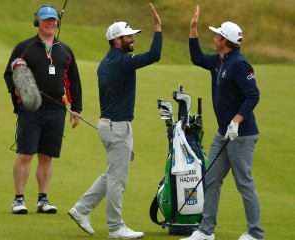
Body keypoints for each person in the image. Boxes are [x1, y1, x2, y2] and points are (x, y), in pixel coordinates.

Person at [67, 2, 162, 239]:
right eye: (128, 36)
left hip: (109, 126)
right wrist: (158, 28)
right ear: (116, 40)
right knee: (117, 181)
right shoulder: (121, 62)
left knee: (112, 174)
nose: (132, 39)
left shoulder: (107, 62)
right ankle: (115, 228)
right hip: (117, 127)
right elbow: (154, 55)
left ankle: (81, 209)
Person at [182, 6, 263, 240]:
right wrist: (193, 29)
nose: (213, 38)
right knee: (212, 179)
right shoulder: (218, 61)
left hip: (241, 135)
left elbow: (253, 95)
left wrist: (237, 121)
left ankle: (256, 234)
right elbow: (196, 57)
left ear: (224, 41)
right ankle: (206, 231)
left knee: (244, 183)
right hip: (222, 134)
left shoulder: (239, 64)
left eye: (216, 35)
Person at [3, 5, 82, 214]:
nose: (50, 23)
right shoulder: (25, 47)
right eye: (45, 19)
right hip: (30, 110)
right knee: (25, 155)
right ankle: (19, 199)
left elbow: (73, 81)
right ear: (37, 21)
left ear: (57, 22)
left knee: (46, 157)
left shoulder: (65, 51)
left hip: (57, 110)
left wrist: (76, 109)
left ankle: (43, 199)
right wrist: (17, 91)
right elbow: (9, 74)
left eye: (53, 20)